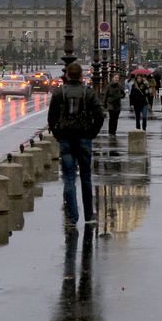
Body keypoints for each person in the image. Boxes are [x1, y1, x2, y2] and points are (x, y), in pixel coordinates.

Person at [48, 61, 105, 229]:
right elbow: (100, 115)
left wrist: (59, 135)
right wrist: (92, 133)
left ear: (67, 76)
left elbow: (51, 119)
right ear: (81, 76)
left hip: (66, 138)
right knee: (86, 177)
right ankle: (88, 213)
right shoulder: (88, 92)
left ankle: (73, 216)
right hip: (84, 138)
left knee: (69, 179)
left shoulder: (59, 92)